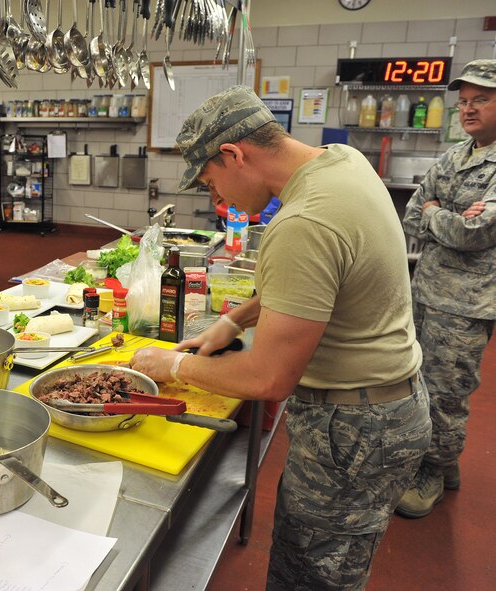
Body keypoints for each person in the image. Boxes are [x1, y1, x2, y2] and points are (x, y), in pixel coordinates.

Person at [129, 86, 431, 590]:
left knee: (310, 578)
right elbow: (319, 284)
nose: (216, 199)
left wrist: (173, 367)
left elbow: (267, 377)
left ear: (233, 154)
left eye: (210, 182)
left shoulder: (303, 221)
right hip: (387, 409)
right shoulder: (342, 163)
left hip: (352, 432)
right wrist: (236, 320)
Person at [396, 59, 496, 519]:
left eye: (482, 100)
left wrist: (440, 214)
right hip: (426, 291)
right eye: (464, 102)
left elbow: (475, 234)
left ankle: (433, 472)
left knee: (445, 390)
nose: (469, 110)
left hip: (466, 304)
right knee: (414, 381)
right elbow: (411, 214)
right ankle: (440, 461)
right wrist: (449, 215)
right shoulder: (454, 156)